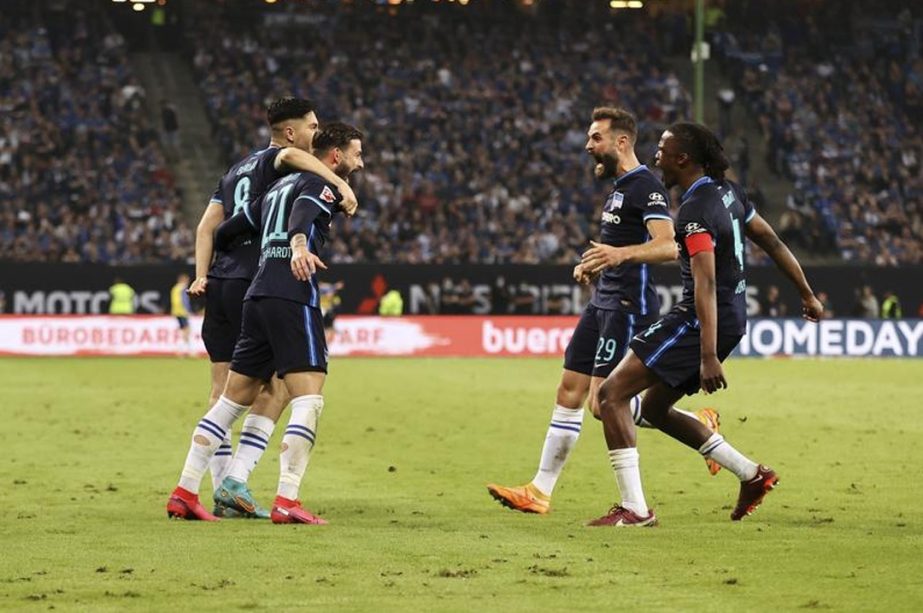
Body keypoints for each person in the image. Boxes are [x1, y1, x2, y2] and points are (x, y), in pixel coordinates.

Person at [487, 108, 720, 516]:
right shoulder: (617, 188)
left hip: (628, 306)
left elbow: (669, 245)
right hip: (602, 303)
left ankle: (696, 424)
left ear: (622, 142)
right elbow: (616, 248)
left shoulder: (646, 186)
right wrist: (593, 263)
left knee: (602, 403)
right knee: (568, 391)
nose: (588, 145)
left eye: (596, 138)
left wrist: (618, 255)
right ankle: (539, 491)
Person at [589, 122, 823, 527]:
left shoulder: (695, 211)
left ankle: (636, 510)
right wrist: (806, 292)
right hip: (731, 318)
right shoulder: (729, 191)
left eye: (662, 149)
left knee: (610, 396)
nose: (655, 155)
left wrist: (708, 355)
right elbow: (771, 240)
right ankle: (752, 474)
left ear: (683, 159)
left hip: (700, 321)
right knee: (658, 410)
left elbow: (706, 281)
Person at [167, 122, 364, 524]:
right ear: (336, 157)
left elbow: (227, 230)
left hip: (254, 294)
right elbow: (307, 213)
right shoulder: (317, 184)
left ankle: (189, 488)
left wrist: (213, 269)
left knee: (229, 400)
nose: (361, 164)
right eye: (358, 155)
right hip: (291, 293)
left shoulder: (274, 188)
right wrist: (296, 244)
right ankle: (287, 500)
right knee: (307, 397)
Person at [170, 272, 194, 355]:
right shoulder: (183, 288)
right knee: (187, 330)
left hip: (176, 311)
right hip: (182, 311)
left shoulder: (175, 288)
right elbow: (184, 300)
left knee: (183, 330)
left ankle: (182, 349)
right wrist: (188, 310)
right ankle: (187, 350)